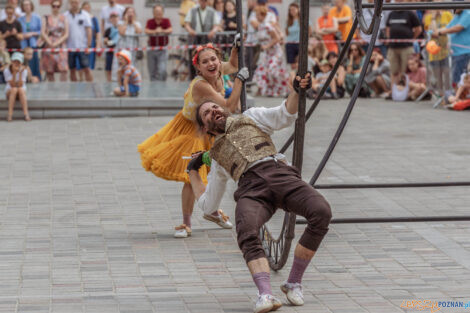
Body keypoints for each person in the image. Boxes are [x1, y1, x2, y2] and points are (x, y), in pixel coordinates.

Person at [187, 73, 332, 313]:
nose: (213, 110)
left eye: (214, 106)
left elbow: (284, 114)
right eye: (206, 113)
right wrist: (192, 172)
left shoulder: (250, 117)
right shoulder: (216, 158)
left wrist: (295, 90)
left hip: (278, 172)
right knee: (245, 228)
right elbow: (208, 205)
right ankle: (265, 294)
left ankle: (293, 282)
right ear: (205, 127)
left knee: (322, 212)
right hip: (251, 189)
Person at [137, 41, 245, 239]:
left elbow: (233, 65)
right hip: (191, 131)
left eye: (214, 59)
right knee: (192, 175)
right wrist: (239, 81)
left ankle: (211, 211)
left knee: (216, 171)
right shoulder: (202, 85)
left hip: (210, 127)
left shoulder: (218, 70)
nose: (211, 64)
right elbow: (229, 105)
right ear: (198, 67)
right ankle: (186, 223)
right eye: (205, 62)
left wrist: (236, 50)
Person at [252, 5, 289, 97]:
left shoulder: (268, 26)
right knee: (261, 70)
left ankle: (283, 89)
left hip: (275, 52)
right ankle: (267, 90)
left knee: (273, 70)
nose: (256, 17)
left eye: (258, 15)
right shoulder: (260, 26)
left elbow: (276, 38)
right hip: (267, 53)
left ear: (262, 15)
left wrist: (266, 46)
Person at [385, 0, 422, 81]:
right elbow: (388, 28)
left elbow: (418, 29)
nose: (399, 1)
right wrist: (388, 39)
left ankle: (405, 92)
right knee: (393, 72)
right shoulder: (391, 14)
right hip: (393, 48)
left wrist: (412, 38)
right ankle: (394, 92)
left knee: (405, 72)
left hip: (406, 47)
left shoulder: (410, 13)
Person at [434, 8, 470, 89]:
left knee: (459, 79)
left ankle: (458, 99)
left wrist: (440, 32)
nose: (454, 10)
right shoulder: (457, 15)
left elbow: (458, 28)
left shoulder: (468, 13)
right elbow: (448, 27)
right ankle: (458, 99)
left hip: (464, 53)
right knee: (456, 79)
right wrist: (433, 32)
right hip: (456, 53)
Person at [184, 0, 220, 79]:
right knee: (193, 58)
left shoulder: (212, 11)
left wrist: (212, 31)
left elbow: (216, 25)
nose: (203, 2)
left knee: (207, 57)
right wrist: (190, 30)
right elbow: (186, 24)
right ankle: (193, 77)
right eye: (201, 1)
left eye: (205, 1)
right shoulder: (192, 10)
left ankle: (207, 77)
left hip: (207, 39)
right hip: (194, 38)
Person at [424, 8, 452, 97]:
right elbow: (432, 33)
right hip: (434, 51)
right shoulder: (428, 17)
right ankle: (441, 95)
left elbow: (450, 29)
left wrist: (439, 31)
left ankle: (448, 95)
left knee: (447, 73)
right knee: (438, 75)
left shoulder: (447, 15)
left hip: (445, 50)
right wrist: (433, 18)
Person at [64, 0, 93, 82]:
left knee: (86, 68)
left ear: (79, 3)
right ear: (70, 3)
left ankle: (91, 87)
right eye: (72, 2)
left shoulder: (85, 15)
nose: (74, 4)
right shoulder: (65, 15)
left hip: (82, 47)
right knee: (72, 69)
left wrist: (88, 45)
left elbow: (89, 30)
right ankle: (74, 89)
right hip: (70, 47)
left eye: (76, 2)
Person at [40, 0, 68, 82]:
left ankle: (63, 90)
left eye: (58, 6)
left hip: (61, 44)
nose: (55, 8)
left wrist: (57, 43)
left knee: (63, 69)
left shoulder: (64, 18)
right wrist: (50, 43)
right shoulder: (46, 17)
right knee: (49, 70)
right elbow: (43, 32)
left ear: (60, 7)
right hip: (49, 43)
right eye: (54, 6)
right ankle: (52, 89)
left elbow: (66, 33)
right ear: (51, 7)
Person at [145, 4, 172, 81]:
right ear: (153, 12)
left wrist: (162, 31)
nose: (158, 13)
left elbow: (170, 30)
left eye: (160, 11)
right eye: (156, 11)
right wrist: (155, 31)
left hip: (162, 49)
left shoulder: (166, 21)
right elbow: (146, 30)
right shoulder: (150, 21)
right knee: (152, 70)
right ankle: (153, 87)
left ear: (163, 12)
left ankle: (162, 85)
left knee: (162, 69)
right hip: (151, 48)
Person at [18, 0, 41, 81]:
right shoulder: (20, 19)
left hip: (33, 43)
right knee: (24, 63)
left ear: (31, 6)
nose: (27, 7)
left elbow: (41, 31)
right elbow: (18, 32)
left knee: (34, 63)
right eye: (25, 5)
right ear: (22, 7)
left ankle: (36, 78)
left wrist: (32, 33)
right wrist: (23, 35)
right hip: (23, 44)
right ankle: (26, 79)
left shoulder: (37, 17)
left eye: (28, 5)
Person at [285, 2, 312, 70]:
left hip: (300, 44)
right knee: (293, 65)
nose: (292, 11)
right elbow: (287, 33)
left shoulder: (303, 19)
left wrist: (306, 41)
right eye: (290, 10)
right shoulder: (288, 21)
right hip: (290, 44)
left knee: (301, 62)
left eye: (294, 9)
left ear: (298, 9)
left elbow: (309, 31)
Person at [4, 52, 30, 121]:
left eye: (18, 61)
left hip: (20, 91)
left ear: (21, 63)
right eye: (14, 61)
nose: (16, 63)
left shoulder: (24, 70)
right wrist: (15, 73)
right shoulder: (7, 70)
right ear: (11, 61)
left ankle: (26, 113)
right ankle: (10, 114)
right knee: (14, 89)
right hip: (10, 91)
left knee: (20, 89)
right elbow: (12, 85)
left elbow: (20, 84)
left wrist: (20, 73)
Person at [81, 2, 101, 76]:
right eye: (84, 8)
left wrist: (98, 44)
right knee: (80, 66)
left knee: (89, 65)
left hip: (91, 43)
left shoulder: (93, 19)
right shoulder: (80, 17)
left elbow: (98, 32)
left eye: (87, 7)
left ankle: (89, 83)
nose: (86, 9)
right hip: (81, 43)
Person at [103, 12, 119, 82]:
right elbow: (105, 40)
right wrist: (106, 41)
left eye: (115, 17)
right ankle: (109, 84)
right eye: (112, 17)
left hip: (119, 52)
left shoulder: (121, 28)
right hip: (110, 52)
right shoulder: (108, 30)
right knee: (109, 69)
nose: (114, 19)